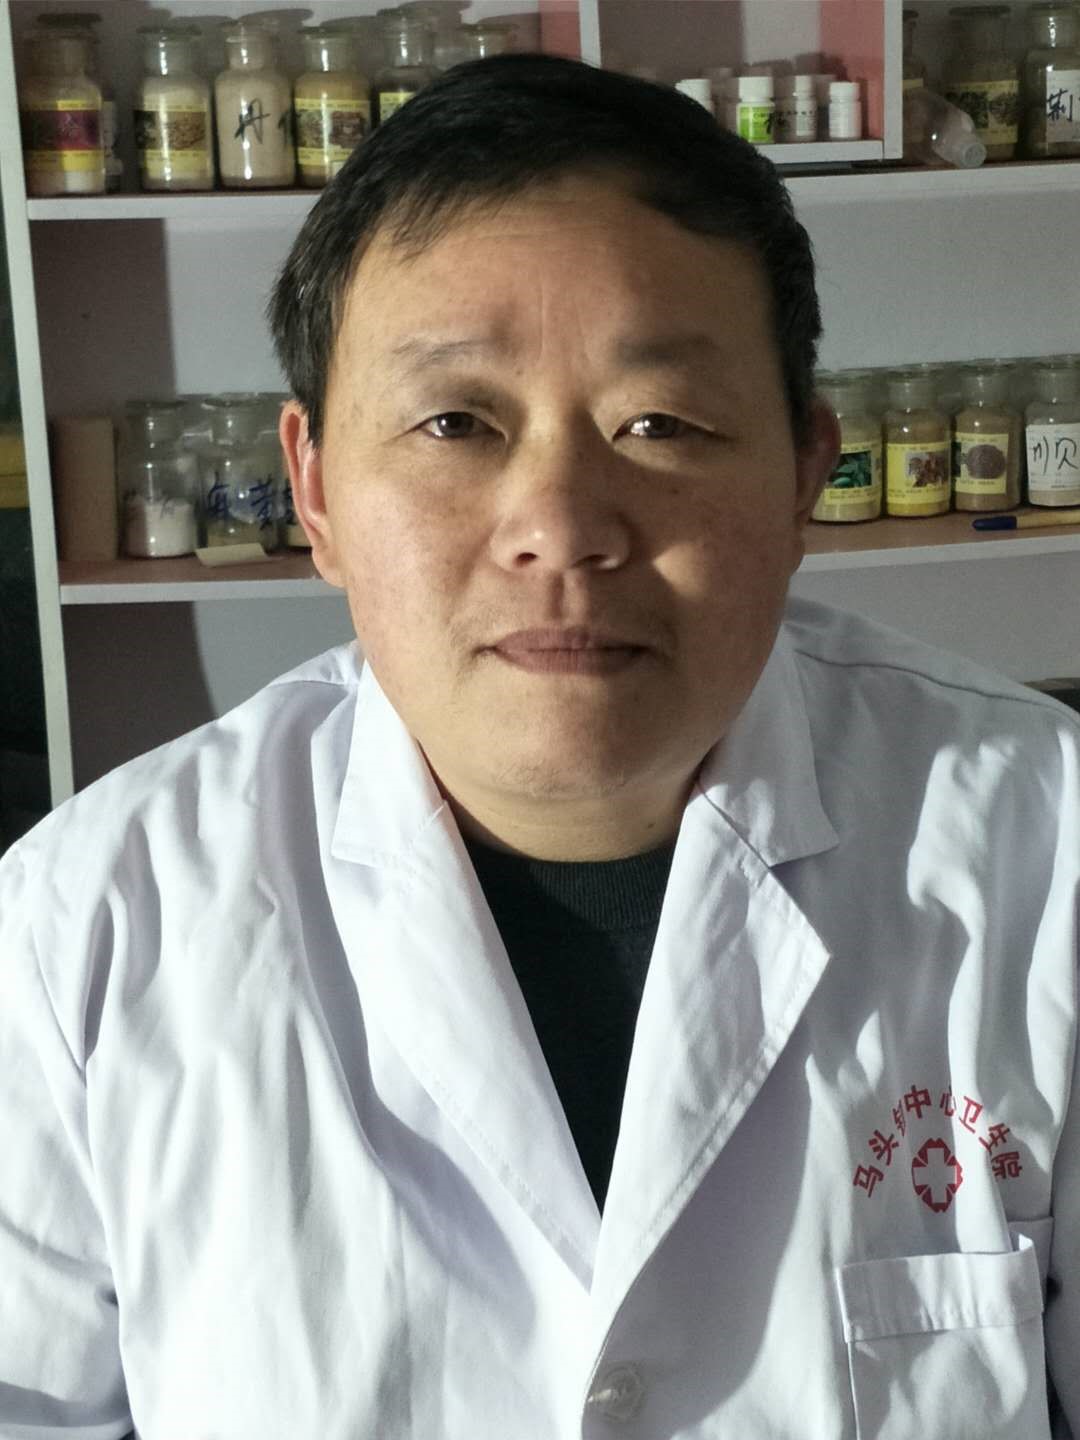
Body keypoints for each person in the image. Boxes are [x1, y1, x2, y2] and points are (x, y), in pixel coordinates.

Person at [1, 52, 1078, 1440]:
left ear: (806, 474)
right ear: (314, 489)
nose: (561, 526)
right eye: (455, 423)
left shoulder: (1046, 848)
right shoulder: (83, 926)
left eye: (662, 423)